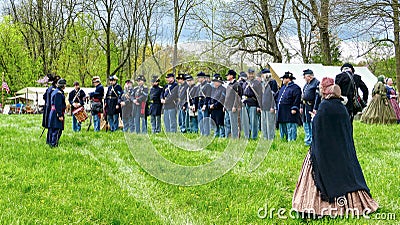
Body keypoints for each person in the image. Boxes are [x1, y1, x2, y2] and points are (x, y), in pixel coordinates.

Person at [292, 77, 378, 218]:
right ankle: (354, 204)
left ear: (325, 91)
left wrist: (315, 119)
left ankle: (320, 207)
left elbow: (319, 131)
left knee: (323, 176)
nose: (319, 90)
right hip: (342, 153)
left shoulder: (325, 106)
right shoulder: (342, 107)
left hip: (325, 153)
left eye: (321, 88)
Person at [276, 71, 301, 141]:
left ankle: (292, 140)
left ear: (288, 79)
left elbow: (297, 99)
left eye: (284, 78)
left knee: (291, 127)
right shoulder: (283, 87)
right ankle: (283, 139)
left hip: (289, 111)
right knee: (282, 127)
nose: (283, 80)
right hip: (282, 111)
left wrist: (294, 108)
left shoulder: (295, 88)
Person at [300, 69, 320, 146]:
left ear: (309, 76)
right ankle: (307, 139)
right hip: (305, 106)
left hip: (311, 106)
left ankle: (312, 140)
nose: (304, 78)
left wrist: (315, 108)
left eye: (305, 76)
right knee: (305, 122)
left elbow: (317, 97)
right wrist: (301, 106)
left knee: (311, 123)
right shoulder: (306, 85)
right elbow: (303, 96)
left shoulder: (316, 83)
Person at [241, 68, 263, 139]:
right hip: (245, 103)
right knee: (246, 122)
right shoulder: (245, 83)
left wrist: (259, 106)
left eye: (252, 73)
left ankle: (254, 136)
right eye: (249, 73)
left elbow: (260, 95)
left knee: (253, 122)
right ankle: (247, 136)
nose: (251, 75)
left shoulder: (257, 83)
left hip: (253, 103)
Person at [48, 79, 67, 147]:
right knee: (57, 129)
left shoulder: (54, 91)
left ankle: (50, 143)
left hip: (52, 112)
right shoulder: (58, 93)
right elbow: (58, 105)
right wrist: (60, 115)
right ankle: (54, 144)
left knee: (52, 129)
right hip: (56, 113)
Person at [42, 73, 60, 144]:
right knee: (54, 127)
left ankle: (49, 140)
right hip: (52, 109)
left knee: (50, 127)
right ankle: (53, 141)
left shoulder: (49, 89)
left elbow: (44, 97)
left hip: (48, 109)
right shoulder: (55, 90)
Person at [224, 69, 242, 138]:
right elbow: (226, 96)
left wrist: (235, 106)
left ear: (231, 76)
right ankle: (227, 136)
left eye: (228, 75)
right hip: (227, 107)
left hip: (233, 107)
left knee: (234, 123)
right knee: (227, 123)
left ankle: (235, 137)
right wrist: (224, 106)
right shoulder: (229, 84)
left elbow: (237, 97)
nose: (227, 77)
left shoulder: (236, 85)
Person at [260, 69, 276, 140]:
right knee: (264, 123)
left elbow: (274, 95)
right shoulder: (262, 83)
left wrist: (273, 106)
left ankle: (271, 138)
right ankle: (265, 137)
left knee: (270, 124)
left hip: (270, 106)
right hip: (263, 106)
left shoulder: (272, 82)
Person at [197, 72, 212, 136]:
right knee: (200, 120)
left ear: (203, 78)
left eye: (199, 77)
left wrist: (205, 105)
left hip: (204, 105)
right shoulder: (200, 85)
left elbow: (208, 96)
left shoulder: (207, 85)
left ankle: (206, 133)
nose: (198, 79)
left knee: (205, 120)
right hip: (200, 104)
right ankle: (202, 133)